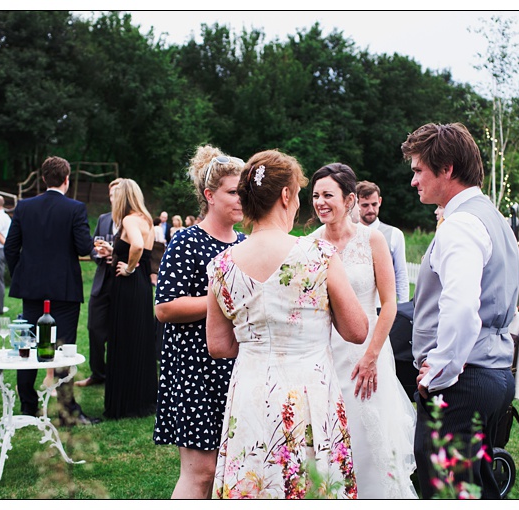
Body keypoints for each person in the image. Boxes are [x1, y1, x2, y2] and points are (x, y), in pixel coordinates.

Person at [205, 150, 368, 499]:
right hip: (308, 393)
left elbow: (218, 346)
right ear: (285, 195)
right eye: (298, 195)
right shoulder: (319, 256)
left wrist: (255, 340)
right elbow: (357, 330)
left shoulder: (221, 265)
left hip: (250, 392)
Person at [404, 122, 519, 499]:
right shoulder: (493, 217)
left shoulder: (461, 225)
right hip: (493, 372)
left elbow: (461, 307)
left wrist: (437, 371)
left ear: (447, 168)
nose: (414, 181)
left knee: (446, 491)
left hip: (464, 379)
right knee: (473, 490)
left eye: (419, 170)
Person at [308, 164, 418, 498]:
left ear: (349, 199)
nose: (320, 202)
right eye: (315, 195)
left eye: (328, 195)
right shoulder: (310, 244)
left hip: (367, 351)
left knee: (370, 437)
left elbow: (390, 304)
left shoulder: (372, 239)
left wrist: (371, 357)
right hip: (326, 353)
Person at [153, 145, 247, 499]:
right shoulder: (186, 241)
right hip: (194, 367)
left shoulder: (244, 242)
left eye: (244, 192)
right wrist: (218, 302)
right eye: (233, 192)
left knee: (228, 467)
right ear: (209, 195)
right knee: (202, 472)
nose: (241, 199)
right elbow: (164, 308)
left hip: (234, 366)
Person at [5, 156, 98, 425]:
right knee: (63, 348)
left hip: (31, 290)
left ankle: (27, 406)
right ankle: (67, 411)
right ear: (66, 180)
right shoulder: (75, 208)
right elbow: (83, 247)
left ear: (44, 179)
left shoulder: (24, 206)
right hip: (64, 289)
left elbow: (10, 247)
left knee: (29, 345)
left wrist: (21, 275)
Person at [96, 178, 156, 419]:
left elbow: (138, 246)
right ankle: (140, 398)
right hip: (141, 287)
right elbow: (138, 245)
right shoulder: (146, 219)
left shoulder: (130, 219)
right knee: (138, 339)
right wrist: (114, 251)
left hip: (129, 284)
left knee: (124, 339)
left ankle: (125, 404)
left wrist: (129, 268)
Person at [78, 183, 118, 388]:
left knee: (119, 330)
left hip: (123, 281)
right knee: (94, 327)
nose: (114, 197)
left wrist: (116, 255)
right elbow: (92, 246)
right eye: (111, 194)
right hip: (102, 279)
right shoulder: (103, 219)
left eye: (117, 194)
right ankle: (97, 373)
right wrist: (98, 254)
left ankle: (116, 372)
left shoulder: (133, 220)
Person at [356, 181, 410, 303]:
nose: (370, 209)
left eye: (374, 204)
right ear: (356, 204)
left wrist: (403, 307)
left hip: (384, 306)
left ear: (380, 201)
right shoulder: (348, 233)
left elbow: (401, 274)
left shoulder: (395, 234)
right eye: (365, 205)